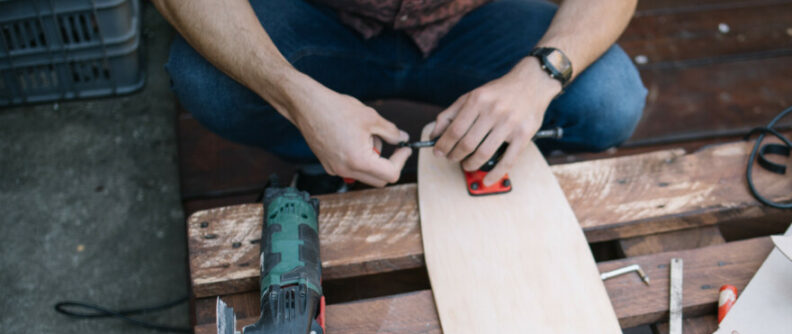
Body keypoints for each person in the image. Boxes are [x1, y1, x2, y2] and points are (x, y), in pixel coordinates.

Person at [154, 0, 647, 188]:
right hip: (318, 19)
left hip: (469, 19)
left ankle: (499, 151)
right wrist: (297, 98)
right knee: (207, 78)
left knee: (609, 100)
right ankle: (321, 154)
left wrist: (536, 77)